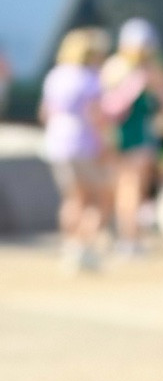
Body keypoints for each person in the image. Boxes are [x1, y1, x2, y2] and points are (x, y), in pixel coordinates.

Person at [99, 17, 163, 253]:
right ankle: (130, 238)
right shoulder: (152, 71)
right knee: (133, 187)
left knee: (121, 187)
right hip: (138, 135)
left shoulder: (112, 67)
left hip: (113, 136)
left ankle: (122, 234)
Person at [40, 27, 110, 270]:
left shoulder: (55, 75)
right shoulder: (90, 78)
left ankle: (70, 245)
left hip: (57, 141)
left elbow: (45, 112)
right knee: (98, 198)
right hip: (84, 142)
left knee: (72, 198)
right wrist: (103, 144)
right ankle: (85, 246)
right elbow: (95, 115)